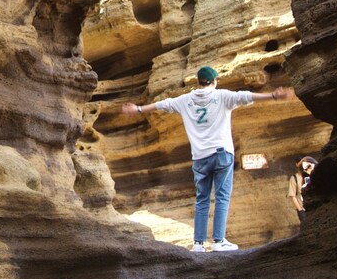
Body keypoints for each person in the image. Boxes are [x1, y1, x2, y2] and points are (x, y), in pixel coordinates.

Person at [121, 65, 292, 253]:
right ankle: (218, 241)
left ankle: (198, 244)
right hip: (221, 153)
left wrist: (138, 109)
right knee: (222, 197)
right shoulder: (222, 96)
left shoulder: (185, 100)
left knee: (202, 199)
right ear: (215, 81)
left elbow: (162, 104)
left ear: (198, 82)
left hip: (199, 157)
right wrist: (274, 96)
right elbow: (246, 96)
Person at [289, 156, 317, 221]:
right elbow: (293, 196)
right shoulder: (294, 178)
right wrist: (300, 210)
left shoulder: (312, 174)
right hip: (304, 209)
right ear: (296, 164)